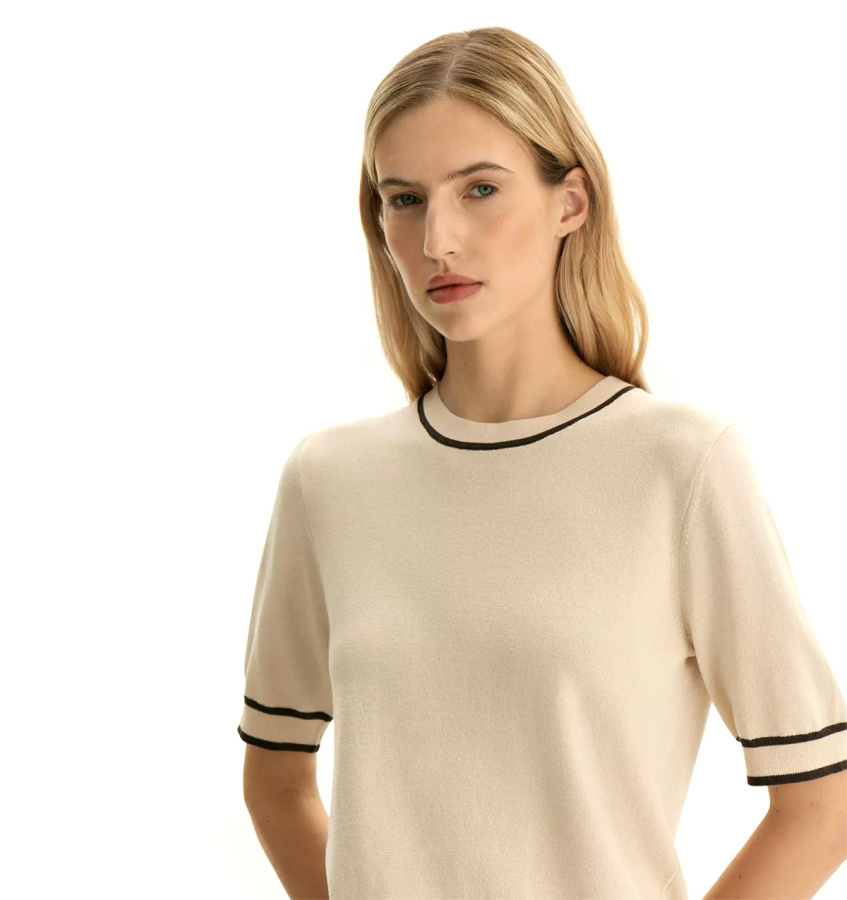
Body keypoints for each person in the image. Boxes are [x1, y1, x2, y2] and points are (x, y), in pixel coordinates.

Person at [238, 25, 847, 900]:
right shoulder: (329, 480)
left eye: (479, 189)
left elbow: (821, 805)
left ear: (571, 202)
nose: (438, 239)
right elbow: (275, 781)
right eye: (404, 199)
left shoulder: (680, 467)